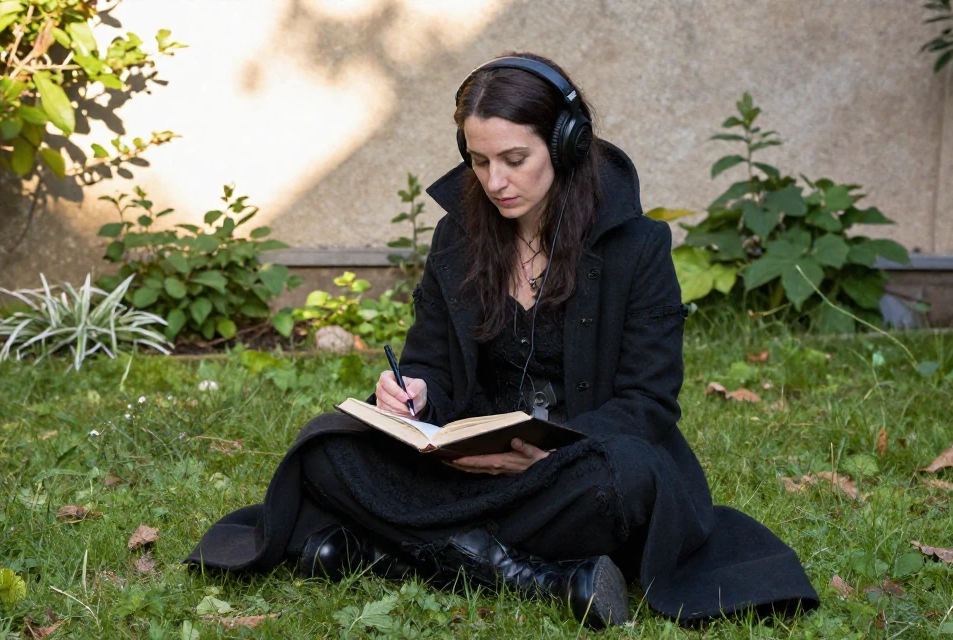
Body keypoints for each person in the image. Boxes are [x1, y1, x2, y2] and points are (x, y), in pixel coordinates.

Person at [186, 52, 819, 629]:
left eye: (515, 160)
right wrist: (411, 391)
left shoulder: (637, 249)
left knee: (630, 481)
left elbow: (648, 403)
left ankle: (386, 550)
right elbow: (428, 357)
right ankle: (529, 573)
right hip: (466, 463)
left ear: (566, 145)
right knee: (325, 447)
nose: (495, 182)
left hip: (569, 470)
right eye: (480, 161)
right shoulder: (458, 241)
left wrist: (549, 457)